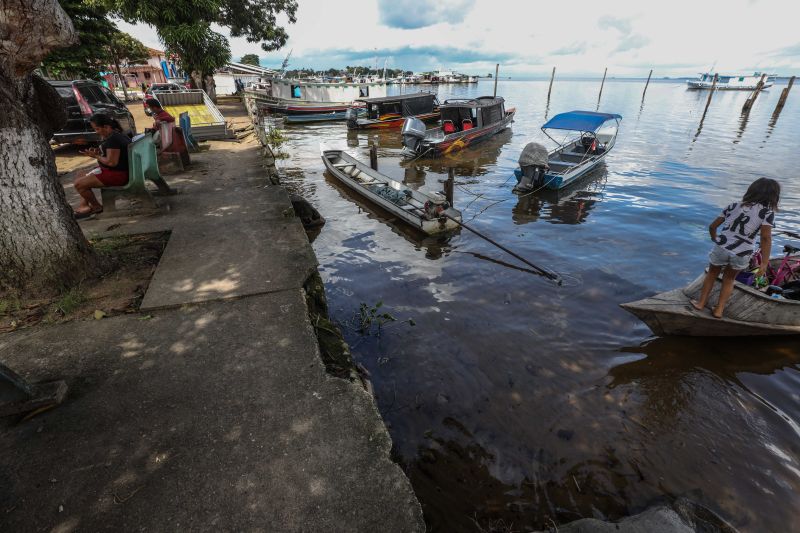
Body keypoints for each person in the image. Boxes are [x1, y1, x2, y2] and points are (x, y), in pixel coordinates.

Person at [691, 177, 780, 318]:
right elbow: (765, 238)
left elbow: (712, 226)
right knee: (729, 279)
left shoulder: (733, 206)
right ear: (773, 196)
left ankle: (701, 303)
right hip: (742, 252)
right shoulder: (767, 214)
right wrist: (764, 263)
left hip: (722, 246)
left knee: (712, 274)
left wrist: (715, 238)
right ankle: (719, 310)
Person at [73, 114, 131, 219]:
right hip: (117, 171)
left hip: (119, 174)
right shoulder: (115, 135)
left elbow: (111, 163)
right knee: (80, 174)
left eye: (97, 129)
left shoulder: (113, 140)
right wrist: (99, 153)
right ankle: (84, 205)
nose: (96, 132)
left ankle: (96, 207)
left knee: (79, 184)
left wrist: (96, 156)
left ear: (107, 127)